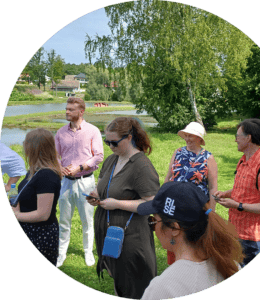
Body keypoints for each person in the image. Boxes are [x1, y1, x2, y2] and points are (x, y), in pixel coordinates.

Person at [86, 117, 160, 300]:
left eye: (114, 142)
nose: (110, 146)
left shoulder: (141, 166)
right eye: (107, 142)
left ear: (129, 138)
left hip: (131, 238)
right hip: (111, 234)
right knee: (120, 282)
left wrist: (118, 204)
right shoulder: (112, 160)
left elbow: (152, 204)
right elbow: (103, 186)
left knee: (135, 286)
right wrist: (95, 195)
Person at [137, 181, 243, 300]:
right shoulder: (231, 266)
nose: (153, 228)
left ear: (174, 228)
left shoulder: (162, 289)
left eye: (153, 221)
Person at [214, 118, 260, 268]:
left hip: (252, 238)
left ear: (248, 138)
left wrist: (237, 205)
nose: (235, 140)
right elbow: (244, 189)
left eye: (237, 136)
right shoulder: (243, 160)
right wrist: (226, 193)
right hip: (236, 231)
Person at [55, 97, 104, 268]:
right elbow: (55, 155)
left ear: (81, 111)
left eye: (71, 109)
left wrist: (81, 167)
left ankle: (88, 252)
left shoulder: (93, 131)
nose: (66, 112)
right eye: (66, 109)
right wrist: (60, 168)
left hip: (86, 181)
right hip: (66, 183)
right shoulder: (61, 132)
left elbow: (98, 156)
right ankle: (61, 254)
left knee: (87, 220)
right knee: (64, 220)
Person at [164, 121, 218, 264]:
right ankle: (174, 267)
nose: (187, 138)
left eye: (191, 136)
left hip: (197, 208)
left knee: (194, 241)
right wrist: (162, 197)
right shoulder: (178, 152)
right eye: (186, 135)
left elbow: (213, 187)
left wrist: (211, 212)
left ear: (200, 139)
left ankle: (193, 269)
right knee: (174, 238)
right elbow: (169, 177)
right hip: (175, 205)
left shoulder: (208, 158)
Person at [11, 128, 62, 266]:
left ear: (33, 148)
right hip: (29, 230)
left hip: (40, 234)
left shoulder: (47, 175)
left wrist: (16, 215)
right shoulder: (34, 171)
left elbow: (42, 214)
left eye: (25, 143)